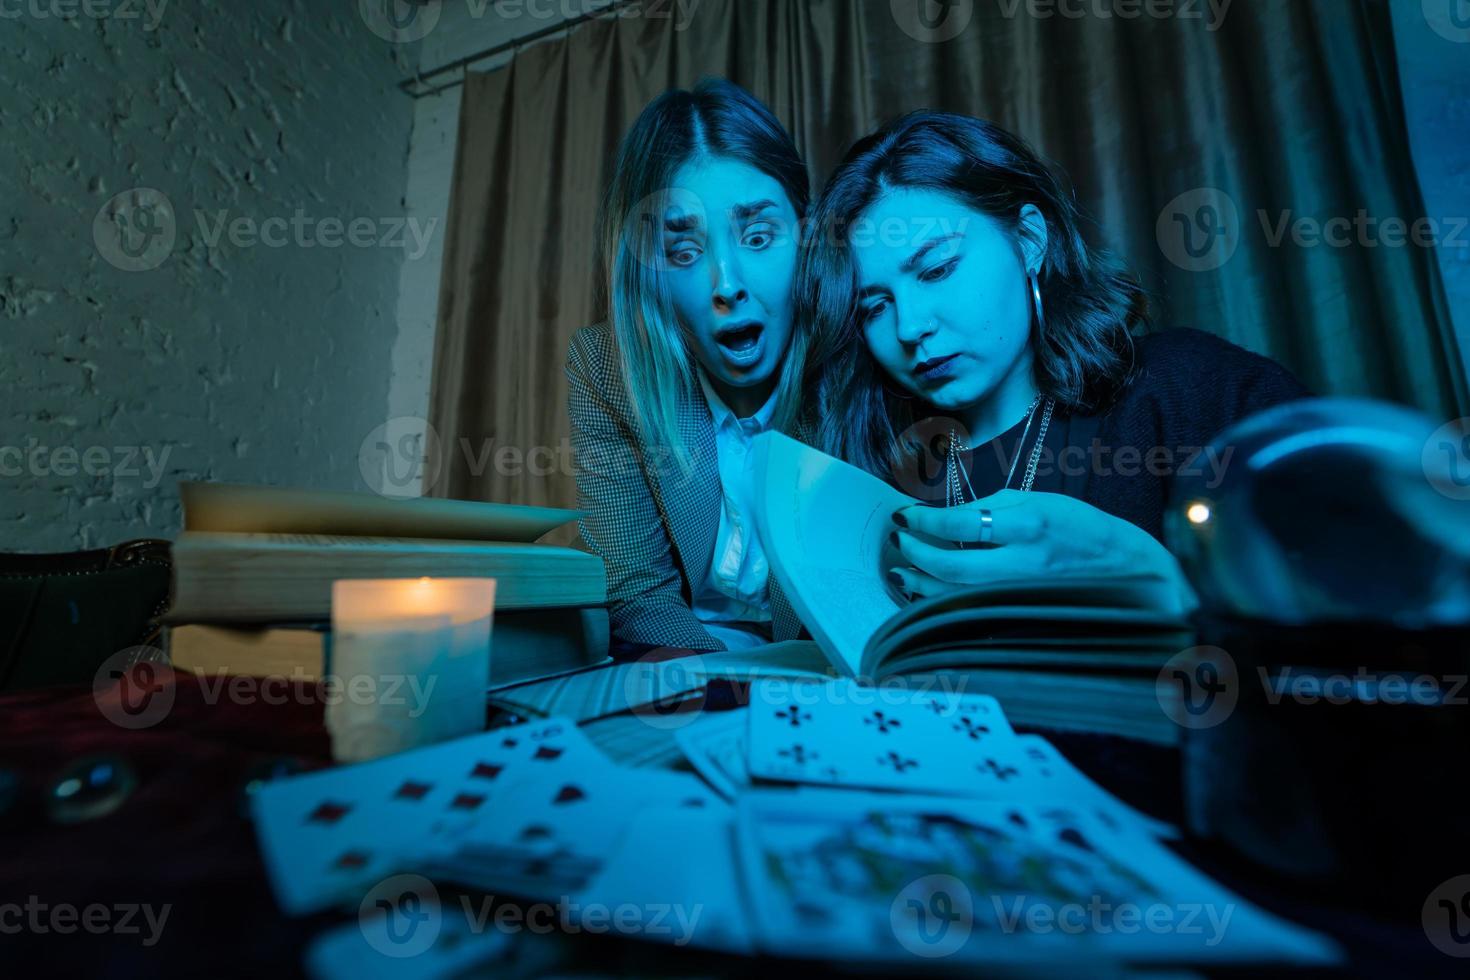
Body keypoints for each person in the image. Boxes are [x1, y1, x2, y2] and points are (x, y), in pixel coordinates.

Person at [799, 111, 1310, 611]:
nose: (909, 327)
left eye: (937, 270)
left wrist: (1146, 573)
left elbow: (1353, 622)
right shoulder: (871, 481)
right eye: (875, 307)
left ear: (1028, 241)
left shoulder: (1192, 391)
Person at [566, 78, 813, 651]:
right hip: (689, 663)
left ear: (806, 231)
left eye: (757, 236)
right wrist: (726, 693)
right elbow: (637, 596)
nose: (726, 285)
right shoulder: (606, 371)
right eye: (683, 252)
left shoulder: (863, 352)